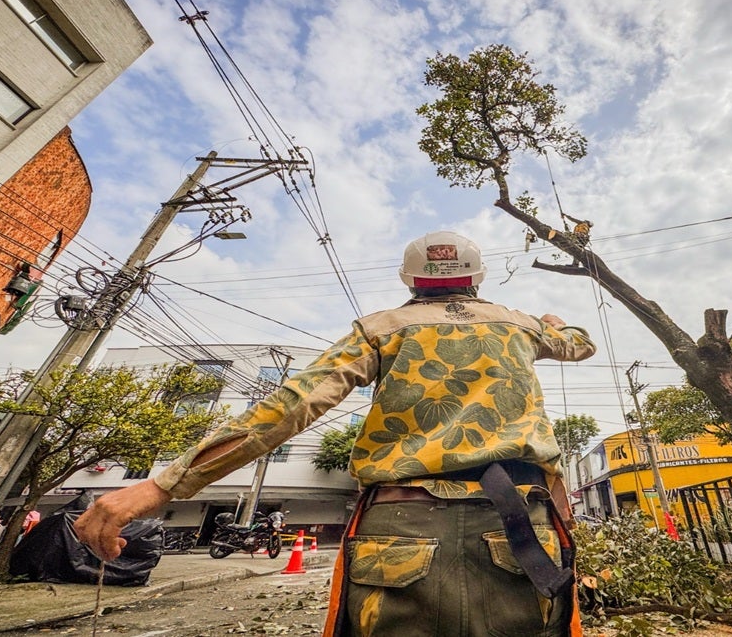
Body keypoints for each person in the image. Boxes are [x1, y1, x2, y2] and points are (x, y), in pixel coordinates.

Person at [75, 231, 597, 636]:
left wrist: (162, 485)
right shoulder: (521, 326)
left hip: (401, 521)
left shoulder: (380, 328)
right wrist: (555, 321)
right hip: (519, 522)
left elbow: (293, 404)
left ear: (411, 281)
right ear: (476, 278)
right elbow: (580, 343)